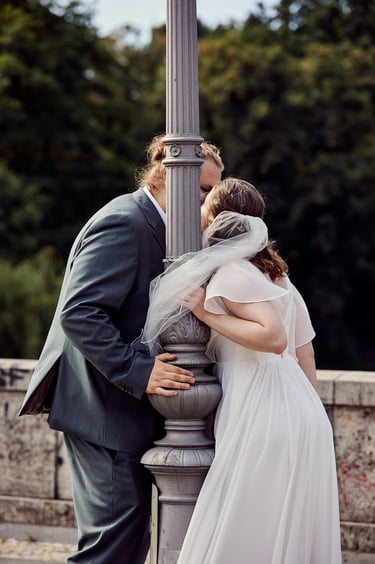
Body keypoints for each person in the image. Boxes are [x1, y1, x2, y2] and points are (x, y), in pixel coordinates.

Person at [18, 134, 224, 564]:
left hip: (120, 412)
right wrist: (140, 370)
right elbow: (79, 313)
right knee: (110, 550)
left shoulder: (164, 228)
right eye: (203, 189)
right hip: (103, 412)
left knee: (126, 546)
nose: (209, 201)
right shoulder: (125, 221)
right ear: (168, 175)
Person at [142, 178, 342, 564]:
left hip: (260, 409)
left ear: (217, 218)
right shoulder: (276, 275)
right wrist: (308, 412)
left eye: (204, 206)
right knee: (281, 532)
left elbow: (273, 337)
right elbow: (307, 352)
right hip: (301, 411)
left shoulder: (234, 272)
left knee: (244, 526)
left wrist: (204, 314)